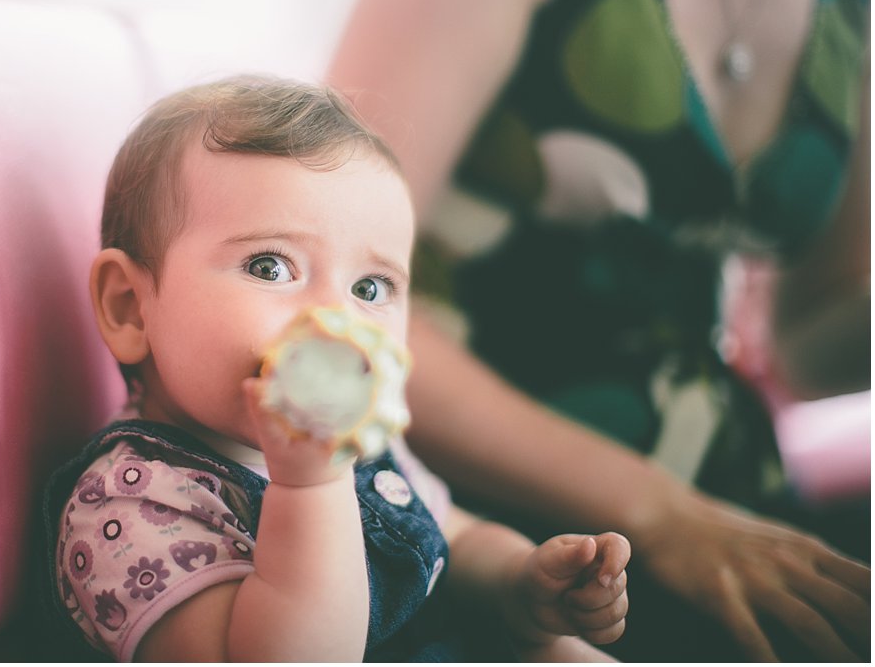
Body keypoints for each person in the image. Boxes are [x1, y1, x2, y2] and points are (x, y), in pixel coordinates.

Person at [328, 0, 870, 662]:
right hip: (482, 516)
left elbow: (807, 344)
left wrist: (695, 519)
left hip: (720, 499)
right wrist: (662, 514)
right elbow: (337, 291)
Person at [38, 76, 631, 661]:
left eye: (371, 287)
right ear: (131, 308)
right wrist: (312, 486)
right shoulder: (129, 507)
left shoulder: (357, 435)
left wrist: (517, 582)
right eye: (271, 267)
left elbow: (450, 530)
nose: (332, 317)